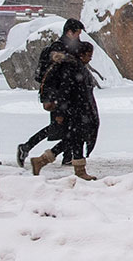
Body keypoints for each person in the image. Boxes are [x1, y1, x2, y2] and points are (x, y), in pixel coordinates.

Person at [16, 18, 85, 167]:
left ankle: (67, 157)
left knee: (68, 128)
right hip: (59, 96)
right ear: (69, 32)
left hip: (64, 95)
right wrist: (55, 98)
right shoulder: (59, 49)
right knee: (59, 127)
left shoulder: (68, 48)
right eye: (77, 33)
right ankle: (26, 146)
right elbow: (57, 77)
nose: (79, 37)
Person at [29, 41, 100, 180]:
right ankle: (79, 171)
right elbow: (64, 92)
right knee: (76, 138)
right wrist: (60, 113)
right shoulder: (71, 67)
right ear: (81, 54)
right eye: (89, 55)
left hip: (79, 110)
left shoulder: (77, 66)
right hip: (74, 111)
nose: (90, 58)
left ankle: (41, 161)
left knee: (73, 139)